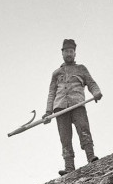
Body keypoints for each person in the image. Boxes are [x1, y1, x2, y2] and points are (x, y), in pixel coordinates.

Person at [43, 37, 102, 176]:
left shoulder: (81, 69)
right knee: (65, 137)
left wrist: (96, 92)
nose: (69, 54)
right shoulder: (56, 73)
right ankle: (69, 167)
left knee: (83, 129)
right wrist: (48, 112)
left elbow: (91, 83)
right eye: (66, 51)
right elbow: (51, 93)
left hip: (77, 104)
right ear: (62, 53)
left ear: (75, 53)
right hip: (60, 108)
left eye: (71, 51)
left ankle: (90, 157)